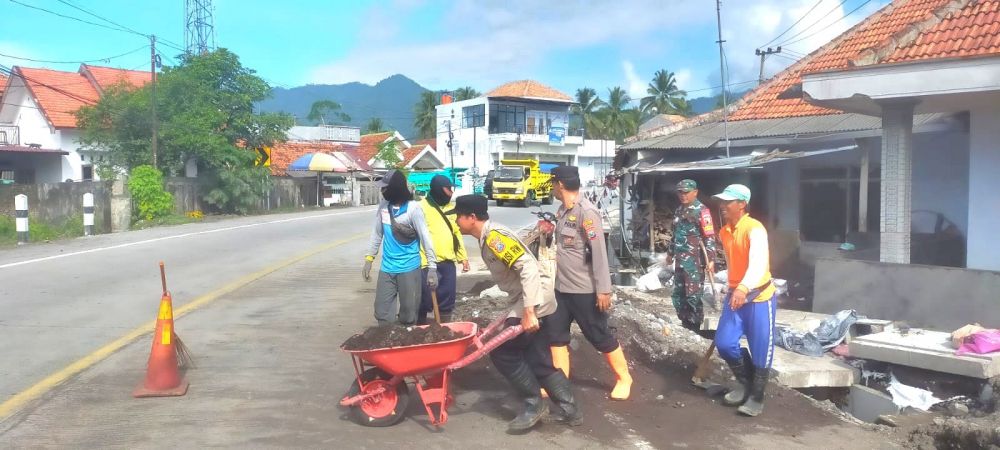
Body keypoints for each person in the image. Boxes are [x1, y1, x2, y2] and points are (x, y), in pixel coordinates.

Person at [451, 194, 581, 432]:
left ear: (472, 217)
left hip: (533, 298)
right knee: (537, 357)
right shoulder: (488, 237)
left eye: (459, 216)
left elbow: (528, 267)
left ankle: (534, 404)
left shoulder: (494, 238)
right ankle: (570, 410)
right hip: (530, 296)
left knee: (504, 353)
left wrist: (529, 311)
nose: (456, 221)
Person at [548, 165, 633, 401]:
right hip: (561, 288)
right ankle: (560, 383)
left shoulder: (587, 212)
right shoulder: (562, 210)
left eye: (553, 184)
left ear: (560, 184)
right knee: (555, 335)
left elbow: (599, 252)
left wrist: (604, 289)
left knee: (598, 334)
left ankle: (624, 378)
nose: (552, 188)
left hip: (583, 290)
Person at [711, 184, 777, 417]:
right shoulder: (725, 232)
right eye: (722, 201)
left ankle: (757, 396)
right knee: (725, 342)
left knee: (761, 348)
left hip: (759, 296)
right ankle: (745, 382)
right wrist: (732, 286)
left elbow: (758, 264)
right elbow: (733, 264)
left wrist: (743, 287)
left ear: (742, 204)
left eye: (728, 202)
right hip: (736, 293)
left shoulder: (754, 229)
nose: (723, 206)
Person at [362, 169, 438, 326]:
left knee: (409, 314)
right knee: (382, 312)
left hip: (409, 268)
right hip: (387, 268)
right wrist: (369, 259)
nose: (382, 191)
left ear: (395, 189)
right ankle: (387, 336)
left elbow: (426, 238)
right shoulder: (384, 207)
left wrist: (432, 267)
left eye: (385, 188)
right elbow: (377, 234)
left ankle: (406, 337)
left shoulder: (413, 209)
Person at [416, 175, 470, 324]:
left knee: (447, 299)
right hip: (426, 262)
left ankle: (444, 328)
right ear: (438, 190)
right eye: (448, 189)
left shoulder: (451, 208)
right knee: (424, 299)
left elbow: (456, 233)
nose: (451, 193)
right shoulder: (420, 207)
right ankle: (419, 328)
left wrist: (463, 257)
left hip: (448, 261)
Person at [668, 179, 719, 332]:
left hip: (695, 262)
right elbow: (675, 235)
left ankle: (695, 326)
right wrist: (670, 253)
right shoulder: (679, 210)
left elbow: (709, 237)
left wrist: (711, 260)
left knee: (693, 295)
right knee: (678, 294)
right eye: (680, 192)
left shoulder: (702, 211)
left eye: (686, 192)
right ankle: (685, 323)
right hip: (680, 260)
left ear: (695, 192)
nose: (682, 195)